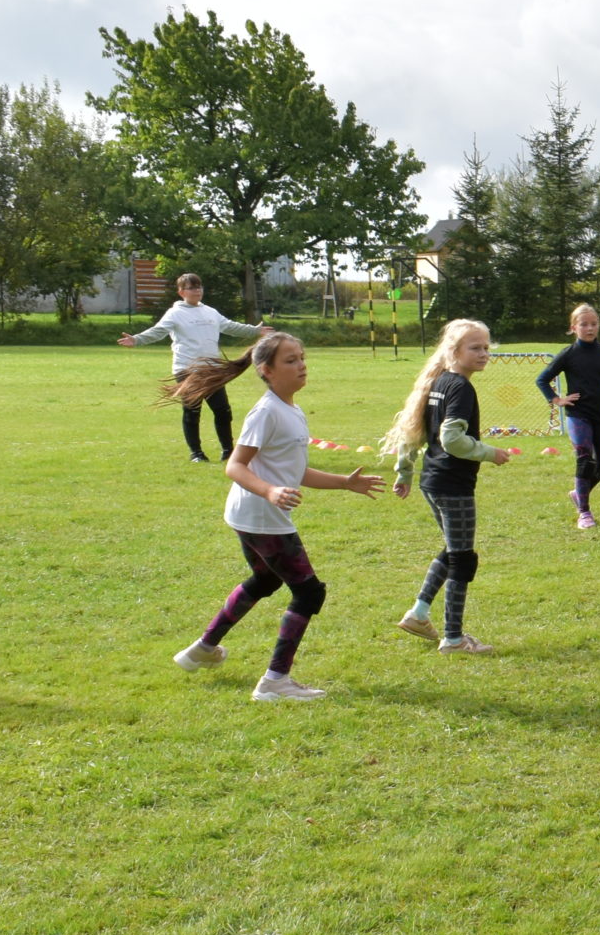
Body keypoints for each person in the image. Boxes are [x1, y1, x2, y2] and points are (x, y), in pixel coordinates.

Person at [165, 331, 382, 700]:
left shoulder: (291, 409)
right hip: (260, 514)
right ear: (266, 370)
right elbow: (234, 466)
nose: (302, 365)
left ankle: (202, 649)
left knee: (265, 581)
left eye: (302, 357)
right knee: (309, 593)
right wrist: (269, 491)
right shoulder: (266, 412)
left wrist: (344, 482)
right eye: (290, 360)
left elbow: (293, 472)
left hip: (251, 513)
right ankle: (275, 682)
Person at [384, 319, 518, 654]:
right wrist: (490, 453)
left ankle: (418, 613)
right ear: (454, 351)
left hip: (433, 481)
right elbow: (451, 439)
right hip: (452, 485)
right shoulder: (460, 388)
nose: (483, 354)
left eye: (486, 347)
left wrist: (404, 473)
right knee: (462, 559)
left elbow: (410, 431)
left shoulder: (438, 381)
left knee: (451, 550)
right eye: (475, 348)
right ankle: (454, 639)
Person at [117, 272, 268, 463]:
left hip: (211, 370)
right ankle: (196, 453)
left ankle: (228, 452)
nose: (197, 290)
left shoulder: (210, 312)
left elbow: (230, 326)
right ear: (181, 292)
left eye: (199, 287)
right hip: (187, 369)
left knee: (223, 410)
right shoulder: (175, 313)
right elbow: (158, 331)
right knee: (192, 410)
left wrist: (255, 331)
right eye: (191, 287)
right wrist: (136, 339)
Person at [536, 303, 600, 529]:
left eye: (594, 324)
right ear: (574, 327)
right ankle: (584, 512)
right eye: (584, 324)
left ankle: (579, 493)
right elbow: (542, 379)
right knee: (584, 459)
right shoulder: (568, 354)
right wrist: (557, 399)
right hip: (578, 415)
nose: (589, 328)